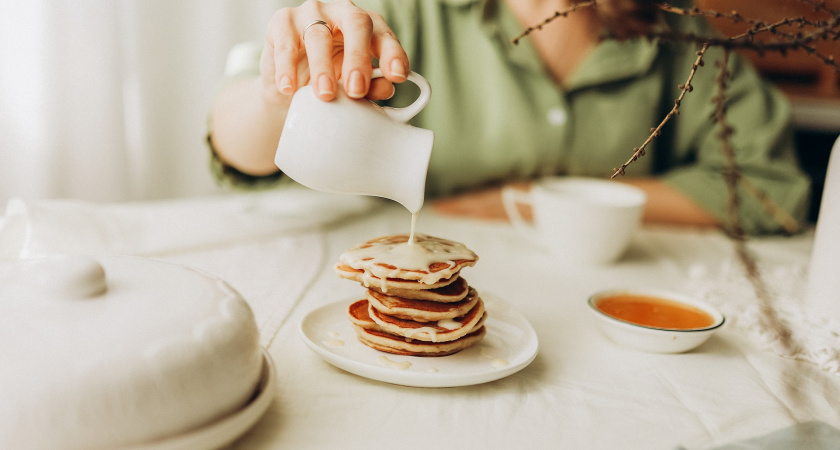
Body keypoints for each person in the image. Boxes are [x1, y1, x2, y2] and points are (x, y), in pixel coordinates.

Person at [208, 0, 811, 234]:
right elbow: (235, 150)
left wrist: (542, 200)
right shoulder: (404, 11)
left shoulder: (682, 38)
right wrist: (277, 96)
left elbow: (770, 189)